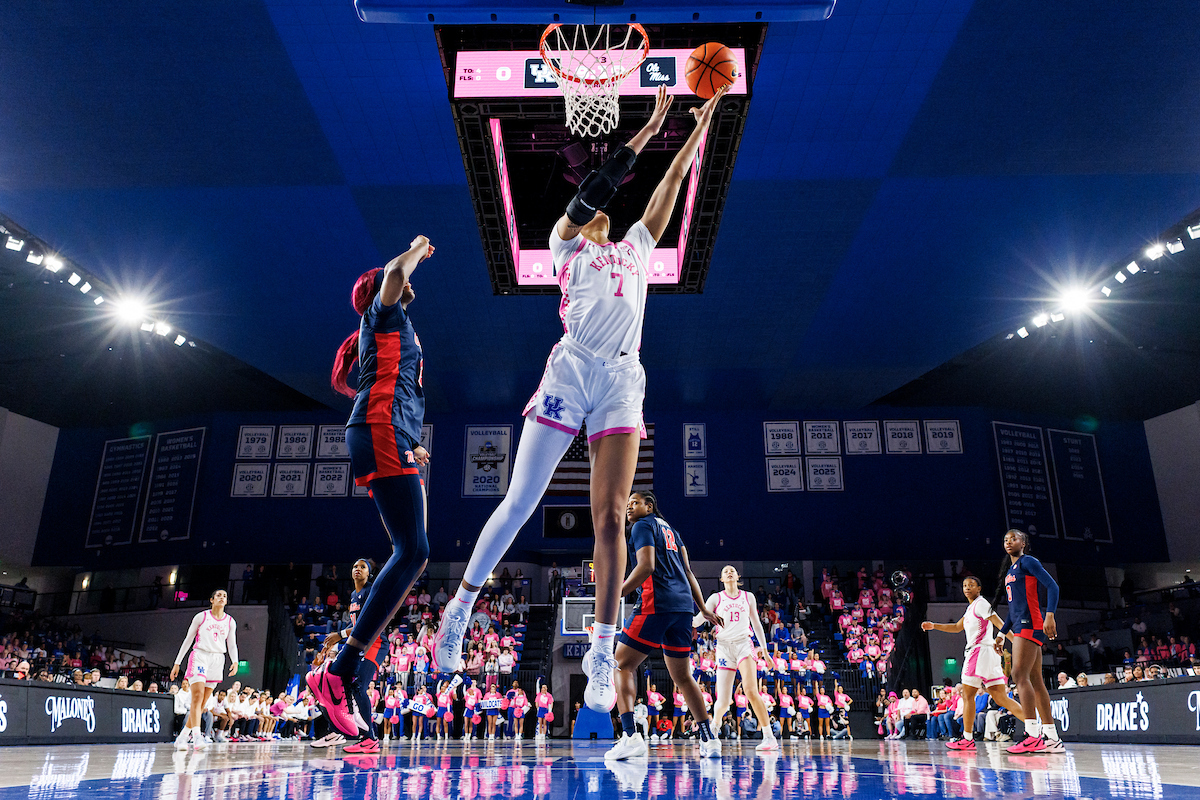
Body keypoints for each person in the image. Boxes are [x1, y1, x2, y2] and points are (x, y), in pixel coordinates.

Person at [431, 86, 730, 716]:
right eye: (595, 206)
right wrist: (648, 128)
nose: (603, 210)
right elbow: (597, 186)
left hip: (622, 378)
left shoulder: (636, 248)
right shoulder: (563, 243)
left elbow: (670, 187)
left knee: (612, 517)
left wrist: (695, 129)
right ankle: (460, 607)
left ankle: (599, 649)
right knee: (520, 501)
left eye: (606, 209)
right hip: (570, 370)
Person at [308, 236, 435, 736]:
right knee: (413, 550)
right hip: (380, 428)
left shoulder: (393, 325)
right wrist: (416, 248)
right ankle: (339, 670)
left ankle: (341, 670)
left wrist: (412, 443)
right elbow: (395, 274)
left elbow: (399, 386)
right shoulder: (382, 314)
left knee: (414, 551)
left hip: (388, 431)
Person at [605, 490, 724, 760]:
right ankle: (710, 739)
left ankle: (630, 736)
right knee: (683, 676)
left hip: (656, 603)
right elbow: (688, 572)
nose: (629, 507)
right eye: (628, 503)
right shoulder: (672, 532)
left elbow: (646, 566)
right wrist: (702, 608)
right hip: (683, 608)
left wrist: (617, 593)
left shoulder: (642, 526)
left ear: (649, 506)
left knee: (621, 665)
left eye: (635, 502)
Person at [921, 575, 1026, 749]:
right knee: (1001, 698)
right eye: (964, 585)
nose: (967, 588)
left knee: (968, 696)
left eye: (971, 585)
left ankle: (967, 739)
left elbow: (998, 622)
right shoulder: (971, 608)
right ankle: (1036, 730)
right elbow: (957, 627)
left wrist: (1015, 640)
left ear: (979, 588)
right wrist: (934, 626)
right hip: (989, 654)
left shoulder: (981, 603)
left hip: (978, 652)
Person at [992, 529, 1064, 754]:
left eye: (1013, 538)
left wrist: (1050, 615)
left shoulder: (1028, 561)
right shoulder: (1010, 572)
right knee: (1035, 680)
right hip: (1020, 623)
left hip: (1031, 622)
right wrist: (1002, 633)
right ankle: (1052, 738)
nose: (1008, 542)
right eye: (1005, 539)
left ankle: (1032, 735)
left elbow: (1053, 586)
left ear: (1023, 543)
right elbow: (1014, 609)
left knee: (1018, 675)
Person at [700, 564, 780, 752]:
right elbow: (699, 619)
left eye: (732, 571)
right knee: (723, 700)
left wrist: (765, 652)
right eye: (725, 571)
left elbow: (757, 625)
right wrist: (687, 620)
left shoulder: (748, 596)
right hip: (724, 647)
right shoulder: (715, 598)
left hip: (744, 643)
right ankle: (714, 728)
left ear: (738, 577)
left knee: (751, 691)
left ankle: (769, 737)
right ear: (721, 579)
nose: (729, 572)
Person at [315, 558, 388, 754]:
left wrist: (340, 635)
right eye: (355, 566)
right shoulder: (354, 595)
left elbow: (366, 622)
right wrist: (335, 640)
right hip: (361, 642)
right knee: (335, 681)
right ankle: (338, 731)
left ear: (369, 573)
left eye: (362, 567)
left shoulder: (370, 591)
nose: (358, 569)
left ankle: (370, 739)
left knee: (359, 686)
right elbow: (354, 624)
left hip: (376, 643)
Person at [170, 589, 238, 751]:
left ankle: (182, 737)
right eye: (218, 595)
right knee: (197, 696)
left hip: (218, 659)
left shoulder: (230, 621)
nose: (222, 598)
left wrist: (235, 661)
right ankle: (197, 737)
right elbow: (188, 639)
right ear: (211, 600)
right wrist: (177, 662)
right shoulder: (201, 617)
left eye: (224, 596)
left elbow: (232, 644)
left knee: (202, 702)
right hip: (200, 655)